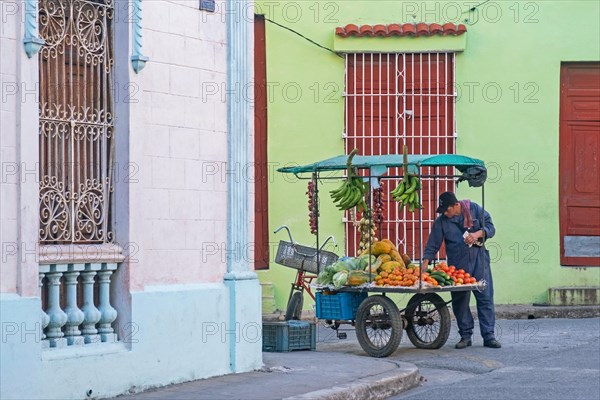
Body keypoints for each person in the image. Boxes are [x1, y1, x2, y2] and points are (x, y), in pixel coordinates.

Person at [421, 191, 501, 349]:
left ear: (456, 205)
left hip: (479, 260)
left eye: (446, 209)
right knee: (460, 301)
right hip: (457, 264)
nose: (445, 213)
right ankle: (465, 336)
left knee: (485, 297)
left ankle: (489, 336)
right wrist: (425, 262)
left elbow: (490, 227)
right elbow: (433, 243)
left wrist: (477, 234)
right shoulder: (442, 221)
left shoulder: (475, 210)